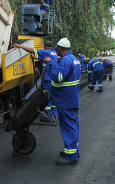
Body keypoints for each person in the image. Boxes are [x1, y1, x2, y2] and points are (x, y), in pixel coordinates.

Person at [43, 37, 81, 165]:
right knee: (73, 126)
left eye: (57, 49)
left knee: (68, 127)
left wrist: (50, 62)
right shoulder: (75, 60)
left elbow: (59, 77)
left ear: (60, 48)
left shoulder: (65, 60)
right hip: (72, 99)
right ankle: (73, 151)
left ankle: (71, 157)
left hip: (66, 100)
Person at [13, 41, 57, 121]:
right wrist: (36, 57)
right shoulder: (54, 53)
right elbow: (44, 59)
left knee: (46, 97)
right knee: (52, 97)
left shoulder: (45, 52)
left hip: (47, 79)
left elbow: (31, 50)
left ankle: (48, 116)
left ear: (44, 47)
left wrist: (19, 46)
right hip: (54, 79)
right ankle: (54, 114)